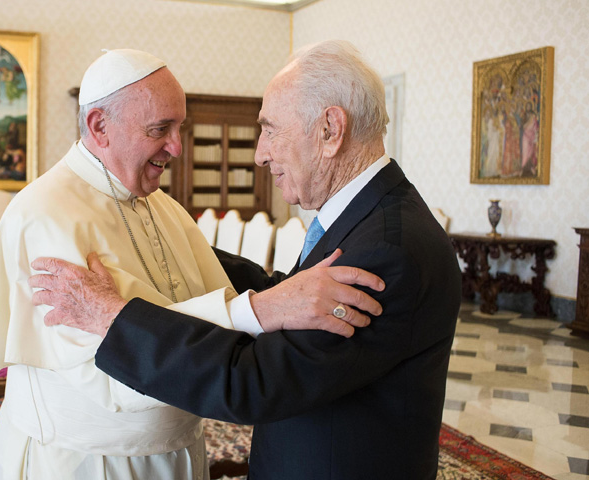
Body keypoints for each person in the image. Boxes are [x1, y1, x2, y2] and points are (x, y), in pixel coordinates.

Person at [30, 40, 462, 479]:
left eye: (271, 129)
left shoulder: (386, 252)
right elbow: (290, 296)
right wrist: (169, 246)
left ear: (330, 130)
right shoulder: (372, 216)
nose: (260, 153)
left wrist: (112, 316)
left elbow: (252, 380)